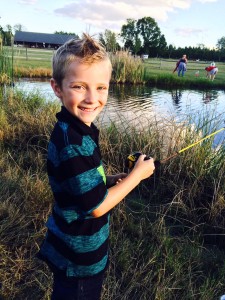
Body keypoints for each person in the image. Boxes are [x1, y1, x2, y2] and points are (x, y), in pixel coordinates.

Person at [37, 33, 155, 300]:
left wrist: (112, 178)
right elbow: (96, 206)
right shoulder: (73, 142)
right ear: (57, 87)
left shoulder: (79, 128)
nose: (92, 98)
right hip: (78, 257)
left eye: (101, 87)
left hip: (76, 246)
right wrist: (136, 176)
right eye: (79, 86)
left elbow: (80, 181)